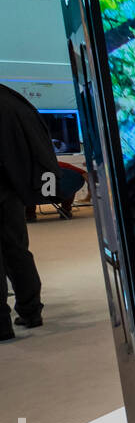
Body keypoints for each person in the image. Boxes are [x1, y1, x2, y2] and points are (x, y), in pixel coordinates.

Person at [0, 84, 58, 340]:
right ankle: (31, 310)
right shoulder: (11, 100)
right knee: (17, 251)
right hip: (9, 190)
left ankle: (2, 325)